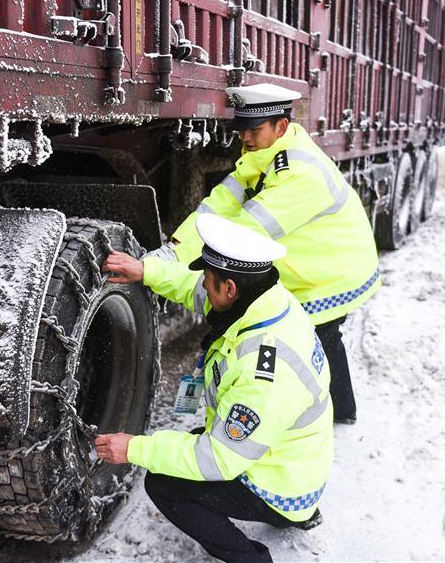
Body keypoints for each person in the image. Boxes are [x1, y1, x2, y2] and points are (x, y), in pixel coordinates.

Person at [97, 214, 334, 563]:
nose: (204, 287)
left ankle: (252, 557)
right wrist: (146, 271)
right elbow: (195, 289)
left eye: (210, 280)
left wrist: (134, 448)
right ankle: (299, 511)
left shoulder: (264, 371)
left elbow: (219, 461)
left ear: (230, 288)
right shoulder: (268, 299)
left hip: (281, 485)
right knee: (191, 444)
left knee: (164, 482)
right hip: (292, 461)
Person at [151, 83, 379, 424]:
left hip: (331, 272)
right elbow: (219, 206)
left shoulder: (301, 174)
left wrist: (170, 272)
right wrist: (175, 251)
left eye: (254, 130)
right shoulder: (264, 158)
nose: (245, 138)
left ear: (281, 127)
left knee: (319, 338)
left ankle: (336, 413)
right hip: (309, 264)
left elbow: (243, 232)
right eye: (242, 130)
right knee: (321, 339)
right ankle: (334, 408)